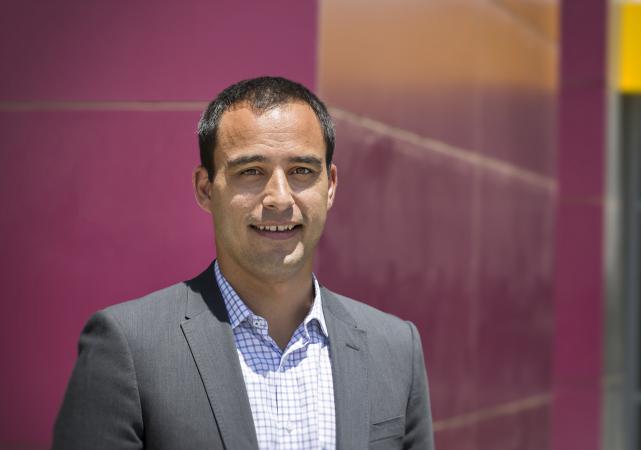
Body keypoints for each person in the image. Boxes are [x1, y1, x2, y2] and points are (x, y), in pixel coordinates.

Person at [52, 76, 434, 450]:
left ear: (330, 186)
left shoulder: (396, 349)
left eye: (302, 171)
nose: (280, 199)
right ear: (206, 189)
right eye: (251, 172)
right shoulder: (129, 349)